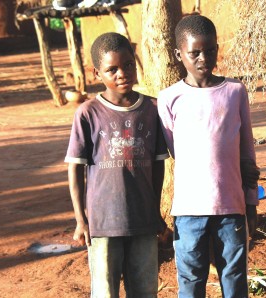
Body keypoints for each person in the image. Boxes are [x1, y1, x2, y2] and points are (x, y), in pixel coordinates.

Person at [157, 15, 260, 298]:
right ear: (179, 54)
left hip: (231, 209)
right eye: (194, 52)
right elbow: (176, 151)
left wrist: (251, 205)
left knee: (235, 277)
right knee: (190, 280)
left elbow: (247, 152)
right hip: (189, 211)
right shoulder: (169, 98)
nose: (204, 57)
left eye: (211, 49)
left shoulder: (235, 92)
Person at [64, 32, 169, 298]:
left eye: (128, 65)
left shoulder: (151, 110)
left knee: (145, 290)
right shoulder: (88, 113)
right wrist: (81, 219)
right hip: (103, 223)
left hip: (144, 220)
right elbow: (75, 168)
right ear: (97, 73)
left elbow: (158, 166)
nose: (122, 73)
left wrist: (156, 212)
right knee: (104, 291)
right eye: (112, 69)